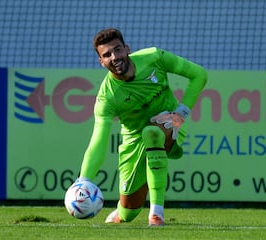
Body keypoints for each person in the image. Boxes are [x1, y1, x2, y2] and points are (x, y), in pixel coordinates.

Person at [77, 28, 207, 226]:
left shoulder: (154, 57)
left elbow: (199, 75)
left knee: (152, 131)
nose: (114, 57)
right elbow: (98, 142)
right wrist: (83, 180)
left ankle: (156, 214)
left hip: (170, 122)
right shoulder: (107, 98)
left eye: (117, 50)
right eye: (107, 55)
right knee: (128, 212)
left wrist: (181, 113)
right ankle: (121, 211)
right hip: (133, 140)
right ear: (101, 62)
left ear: (127, 49)